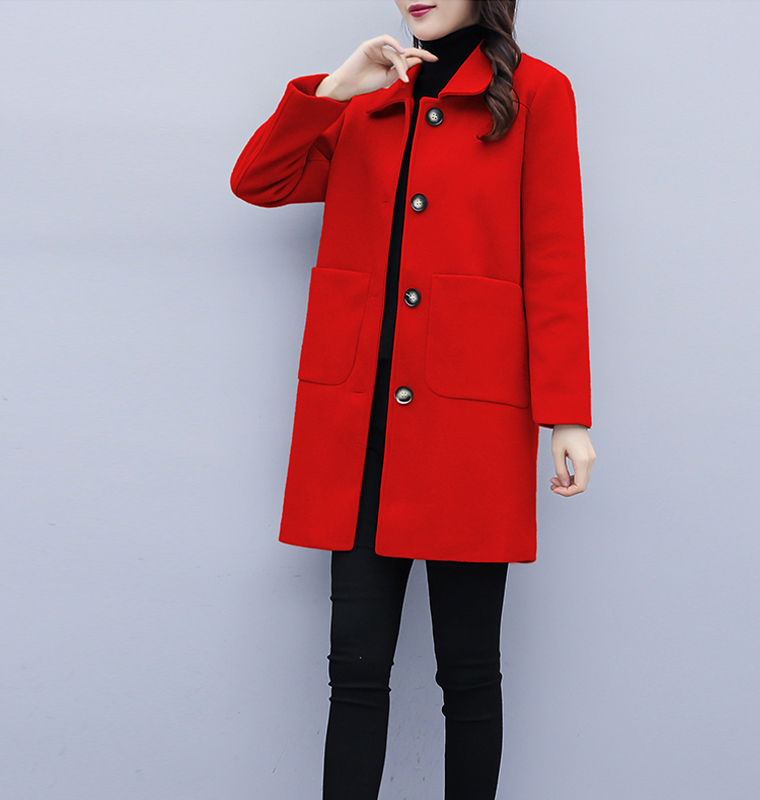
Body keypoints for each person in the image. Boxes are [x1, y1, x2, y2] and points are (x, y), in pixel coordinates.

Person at [230, 1, 596, 797]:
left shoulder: (538, 93)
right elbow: (258, 180)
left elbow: (555, 258)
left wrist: (566, 413)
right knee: (355, 675)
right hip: (358, 427)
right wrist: (335, 87)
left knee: (470, 674)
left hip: (470, 421)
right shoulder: (371, 97)